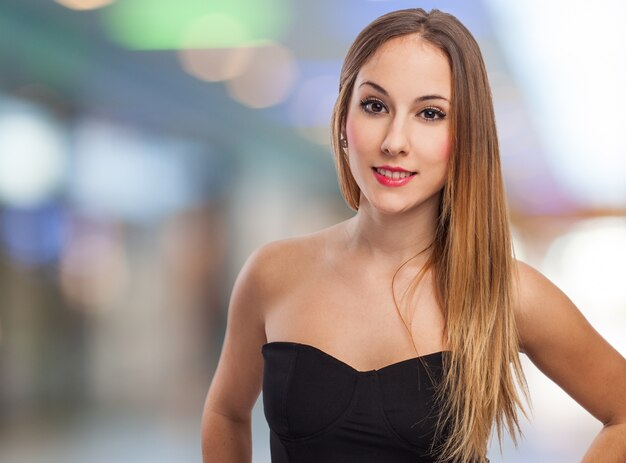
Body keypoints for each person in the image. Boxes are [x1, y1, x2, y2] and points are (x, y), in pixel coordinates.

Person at [201, 8, 626, 463]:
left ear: (465, 136)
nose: (395, 140)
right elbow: (226, 412)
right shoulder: (273, 272)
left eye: (430, 113)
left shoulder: (507, 291)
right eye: (375, 106)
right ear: (343, 120)